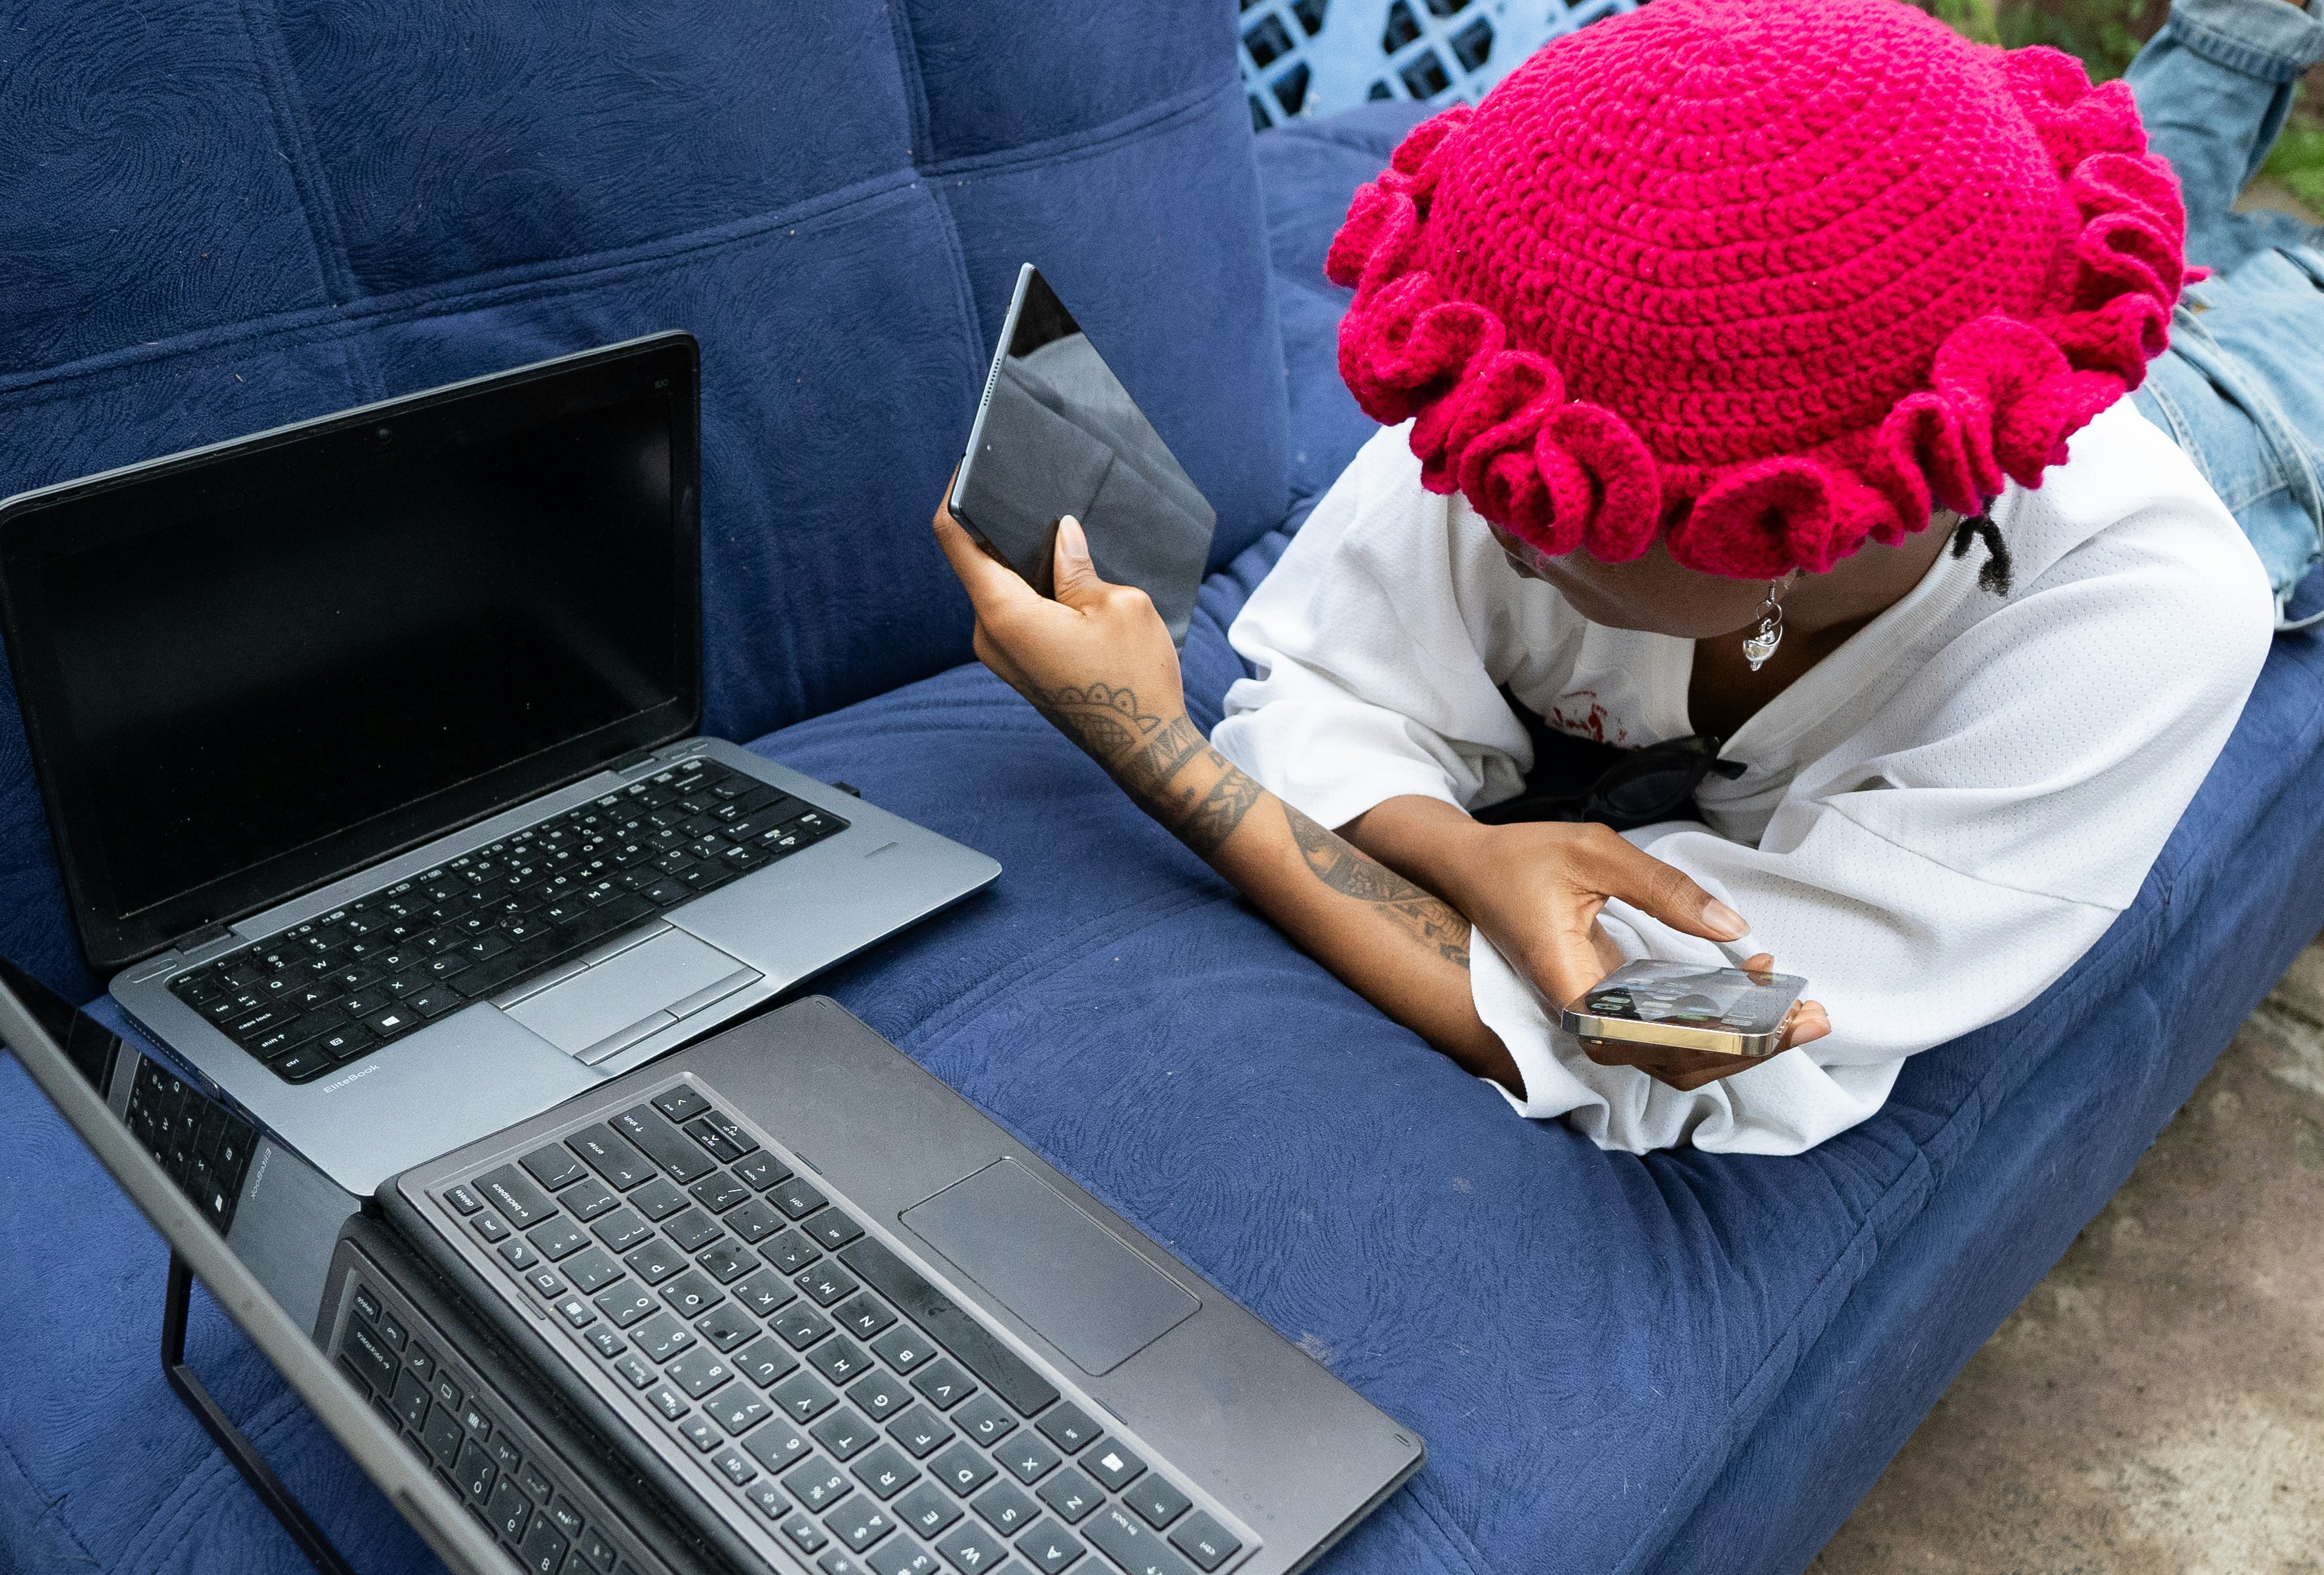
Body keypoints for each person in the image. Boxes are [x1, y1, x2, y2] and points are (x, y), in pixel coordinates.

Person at [933, 0, 2324, 1154]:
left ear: (1774, 529)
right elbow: (1324, 696)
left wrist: (1153, 749)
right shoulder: (1535, 377)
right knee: (2147, 171)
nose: (1468, 489)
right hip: (1966, 331)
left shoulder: (2137, 614)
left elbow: (1647, 1040)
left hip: (2235, 440)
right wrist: (1462, 853)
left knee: (2282, 329)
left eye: (1548, 505)